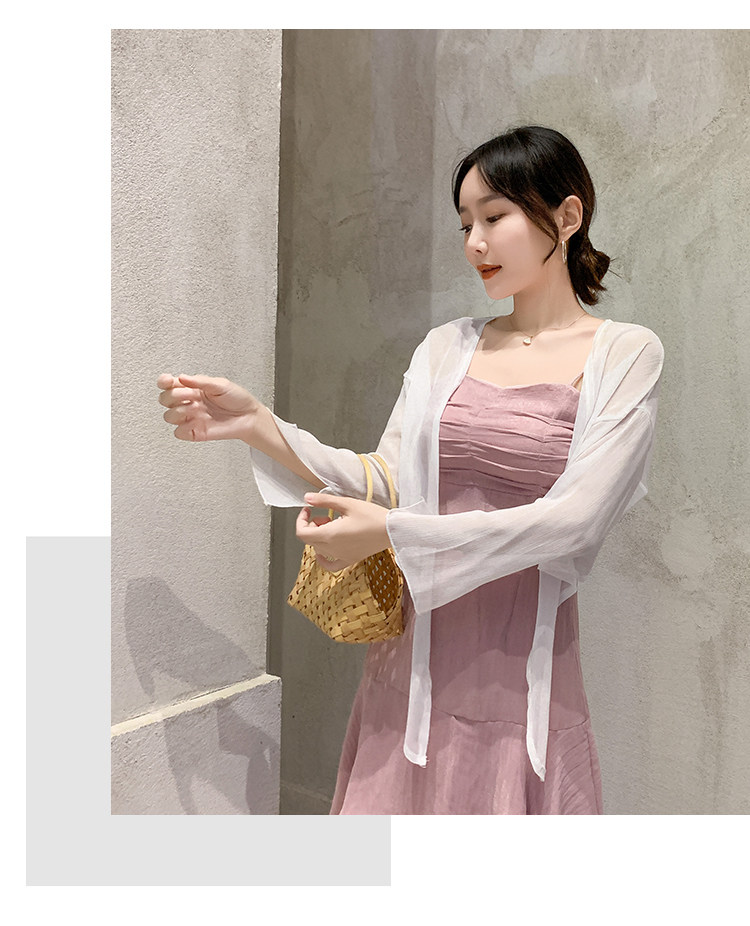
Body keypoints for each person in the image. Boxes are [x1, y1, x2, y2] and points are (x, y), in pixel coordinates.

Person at [157, 125, 664, 814]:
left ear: (567, 216)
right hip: (407, 683)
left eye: (494, 217)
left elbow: (574, 523)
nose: (475, 243)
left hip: (524, 696)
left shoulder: (625, 354)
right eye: (465, 224)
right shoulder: (446, 347)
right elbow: (388, 478)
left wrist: (390, 532)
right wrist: (260, 425)